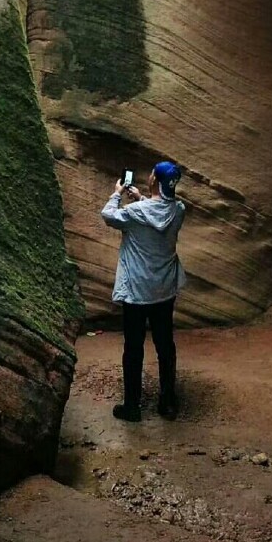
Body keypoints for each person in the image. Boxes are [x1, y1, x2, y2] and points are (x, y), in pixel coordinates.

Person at [101, 160, 186, 422]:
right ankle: (167, 403)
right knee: (165, 345)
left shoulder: (135, 212)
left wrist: (117, 193)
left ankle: (132, 406)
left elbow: (109, 215)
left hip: (137, 292)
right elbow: (160, 209)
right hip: (163, 290)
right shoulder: (179, 210)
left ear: (154, 181)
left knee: (134, 347)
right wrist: (142, 198)